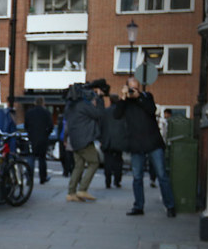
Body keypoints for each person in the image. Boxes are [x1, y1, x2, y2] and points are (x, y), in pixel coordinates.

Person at [114, 76, 176, 217]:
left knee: (162, 175)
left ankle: (170, 206)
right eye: (131, 88)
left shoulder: (147, 97)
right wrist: (123, 97)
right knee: (137, 177)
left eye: (136, 87)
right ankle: (138, 206)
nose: (133, 90)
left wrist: (138, 96)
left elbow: (151, 109)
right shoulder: (125, 102)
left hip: (153, 143)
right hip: (136, 145)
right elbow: (116, 114)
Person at [63, 79, 107, 202]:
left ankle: (71, 193)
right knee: (94, 163)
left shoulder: (71, 105)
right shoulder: (83, 105)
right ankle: (82, 189)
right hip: (85, 140)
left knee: (79, 165)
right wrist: (99, 98)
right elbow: (99, 114)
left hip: (75, 140)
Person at [24, 97, 54, 184]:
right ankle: (43, 177)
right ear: (43, 103)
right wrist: (46, 134)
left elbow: (26, 126)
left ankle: (30, 178)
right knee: (42, 159)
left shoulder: (29, 113)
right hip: (43, 138)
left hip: (32, 138)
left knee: (31, 158)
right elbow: (51, 126)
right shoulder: (46, 112)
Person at [99, 94, 127, 188]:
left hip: (108, 140)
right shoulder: (122, 112)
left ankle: (108, 181)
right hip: (119, 140)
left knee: (108, 162)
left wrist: (101, 139)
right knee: (118, 162)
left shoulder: (105, 112)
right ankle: (117, 181)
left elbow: (101, 126)